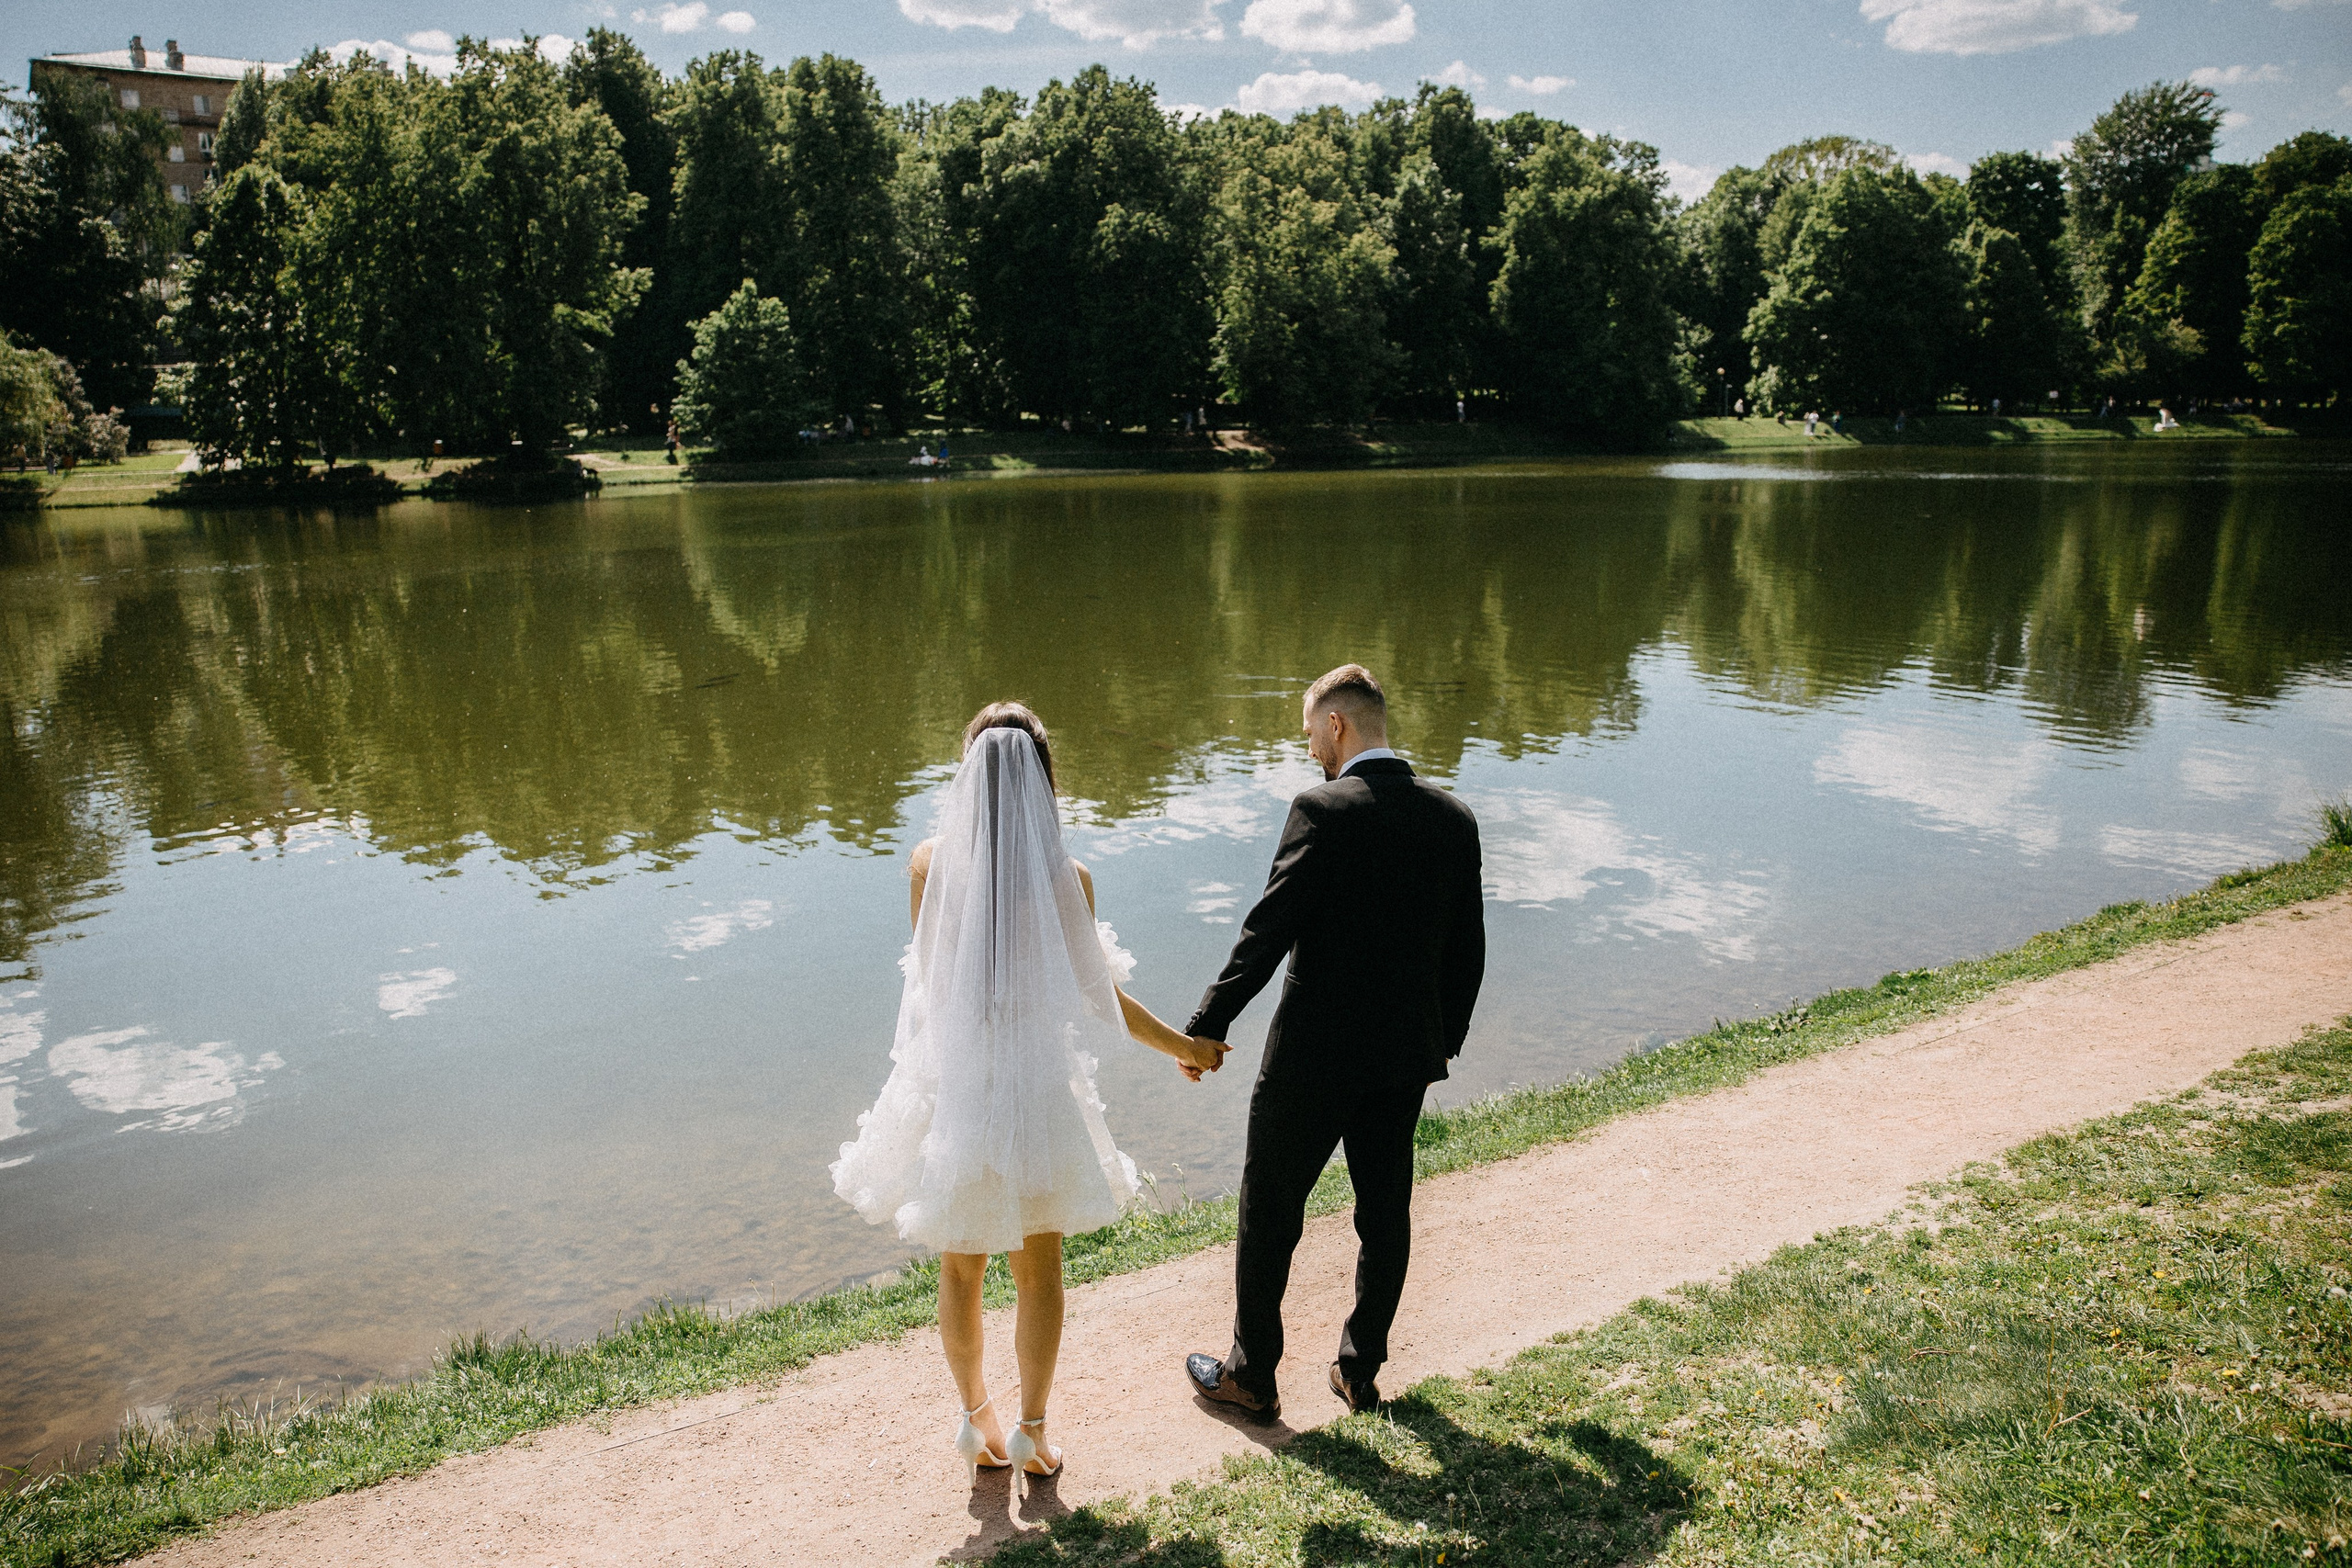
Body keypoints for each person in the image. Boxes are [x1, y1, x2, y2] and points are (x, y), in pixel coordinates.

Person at [832, 705, 1226, 1489]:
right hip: (1037, 1086)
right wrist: (1185, 1046)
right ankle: (1033, 1433)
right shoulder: (1066, 877)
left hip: (966, 1085)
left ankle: (975, 1418)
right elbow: (1099, 997)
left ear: (968, 775)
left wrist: (917, 1081)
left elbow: (931, 986)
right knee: (1040, 1271)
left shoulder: (927, 863)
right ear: (1044, 778)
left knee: (960, 1266)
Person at [1182, 665, 1485, 1422]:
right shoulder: (1453, 819)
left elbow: (1268, 929)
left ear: (1339, 725)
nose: (1309, 745)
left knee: (1270, 1209)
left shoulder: (1321, 808)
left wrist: (1208, 1025)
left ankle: (1251, 1375)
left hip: (1310, 1060)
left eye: (1311, 730)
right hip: (1402, 1060)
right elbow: (1468, 953)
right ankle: (1360, 1368)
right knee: (1385, 1213)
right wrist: (1438, 1041)